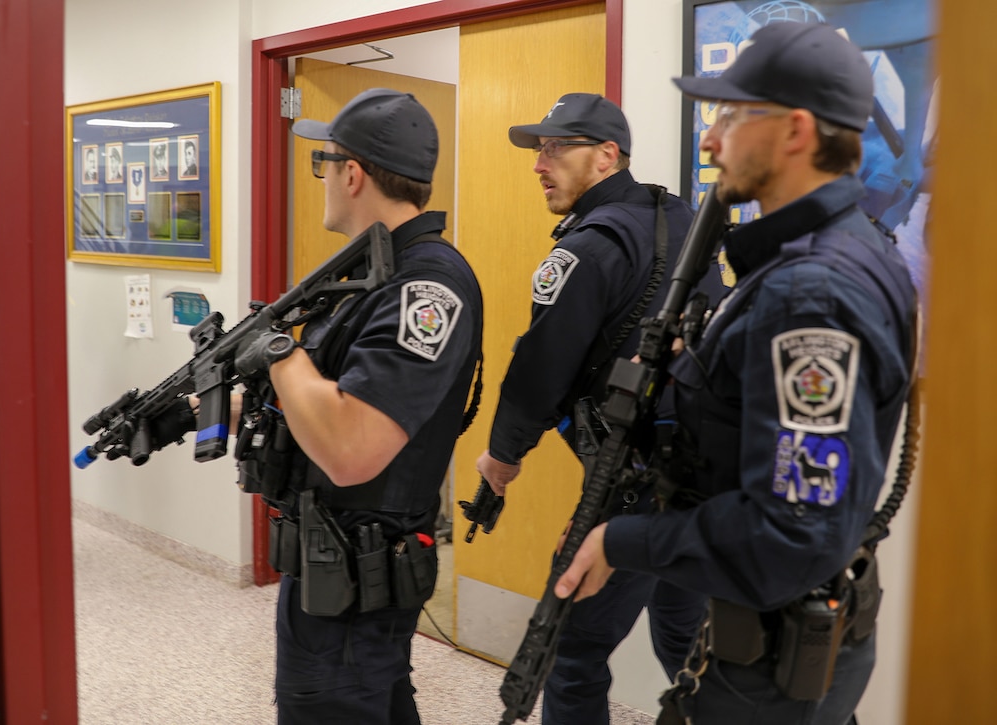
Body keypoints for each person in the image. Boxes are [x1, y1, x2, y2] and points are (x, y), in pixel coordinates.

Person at [555, 22, 917, 724]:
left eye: (729, 115)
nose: (711, 140)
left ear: (795, 131)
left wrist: (622, 539)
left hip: (769, 669)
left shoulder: (813, 291)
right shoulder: (846, 248)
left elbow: (794, 529)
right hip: (785, 644)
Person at [234, 88, 483, 724]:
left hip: (350, 579)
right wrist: (227, 410)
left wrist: (277, 350)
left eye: (324, 162)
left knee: (331, 706)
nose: (322, 178)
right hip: (331, 568)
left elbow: (351, 448)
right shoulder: (374, 275)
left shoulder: (425, 287)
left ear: (352, 172)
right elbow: (326, 401)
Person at [475, 93, 724, 724]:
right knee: (686, 640)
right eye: (539, 150)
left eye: (557, 149)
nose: (540, 164)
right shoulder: (679, 220)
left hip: (633, 482)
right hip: (701, 477)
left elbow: (540, 367)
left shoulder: (588, 247)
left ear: (606, 156)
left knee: (571, 649)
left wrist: (503, 456)